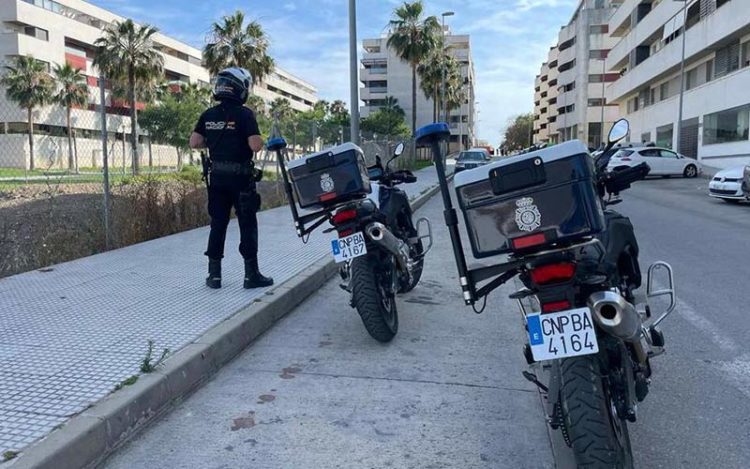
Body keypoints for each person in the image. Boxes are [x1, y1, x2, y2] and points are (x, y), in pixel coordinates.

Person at [189, 67, 273, 290]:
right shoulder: (245, 114)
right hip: (241, 179)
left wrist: (217, 140)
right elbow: (255, 145)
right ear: (241, 89)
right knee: (247, 224)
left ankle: (214, 276)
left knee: (218, 223)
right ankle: (251, 274)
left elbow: (195, 142)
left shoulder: (208, 115)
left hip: (216, 178)